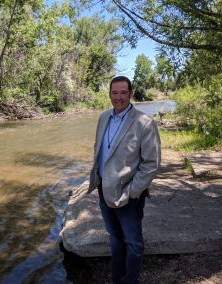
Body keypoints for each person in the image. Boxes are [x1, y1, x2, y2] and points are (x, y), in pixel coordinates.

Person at [87, 76, 161, 284]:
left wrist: (130, 193)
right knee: (115, 239)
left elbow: (150, 165)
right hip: (104, 189)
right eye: (114, 92)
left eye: (123, 92)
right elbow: (99, 150)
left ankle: (130, 280)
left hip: (129, 195)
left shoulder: (144, 123)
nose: (118, 97)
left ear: (130, 94)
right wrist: (96, 179)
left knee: (133, 242)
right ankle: (116, 278)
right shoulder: (103, 117)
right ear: (109, 93)